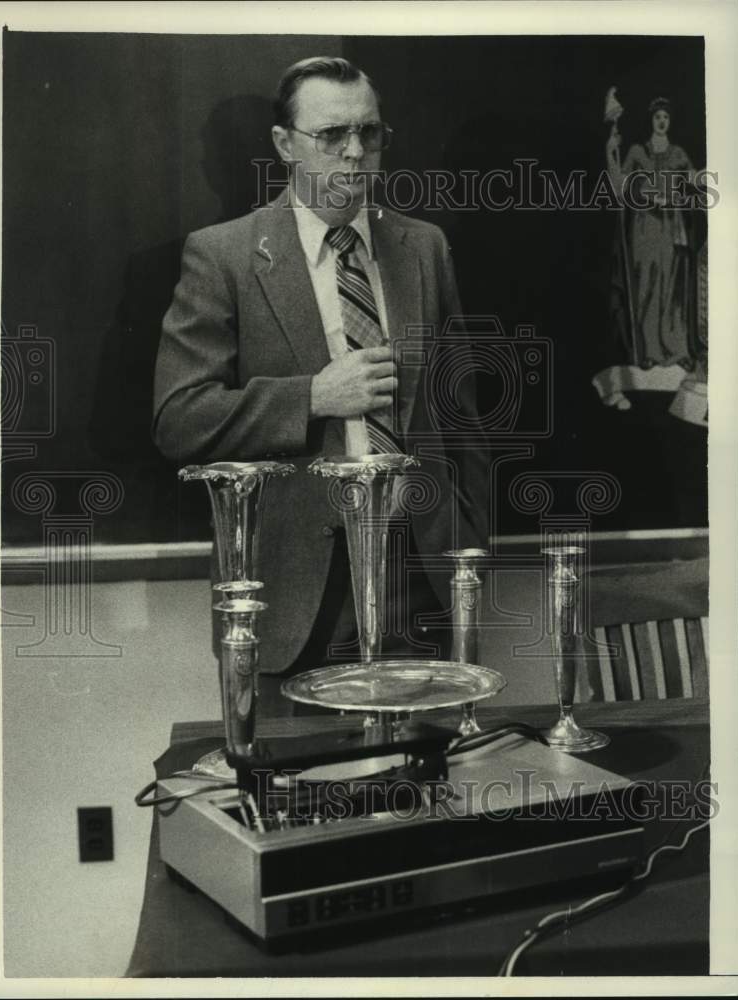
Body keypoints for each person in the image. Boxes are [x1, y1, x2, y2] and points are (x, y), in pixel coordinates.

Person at [153, 56, 489, 715]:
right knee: (299, 773)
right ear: (285, 144)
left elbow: (462, 417)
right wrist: (312, 398)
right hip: (300, 594)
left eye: (370, 132)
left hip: (421, 576)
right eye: (332, 135)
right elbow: (179, 419)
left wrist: (467, 544)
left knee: (431, 772)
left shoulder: (422, 248)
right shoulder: (224, 255)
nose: (355, 153)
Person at [601, 97, 696, 406]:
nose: (662, 121)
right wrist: (609, 151)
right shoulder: (637, 152)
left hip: (670, 228)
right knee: (646, 287)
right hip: (644, 229)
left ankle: (675, 350)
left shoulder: (678, 153)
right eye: (658, 116)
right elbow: (618, 186)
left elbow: (694, 180)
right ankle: (648, 351)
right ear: (651, 120)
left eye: (666, 116)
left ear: (671, 121)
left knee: (671, 290)